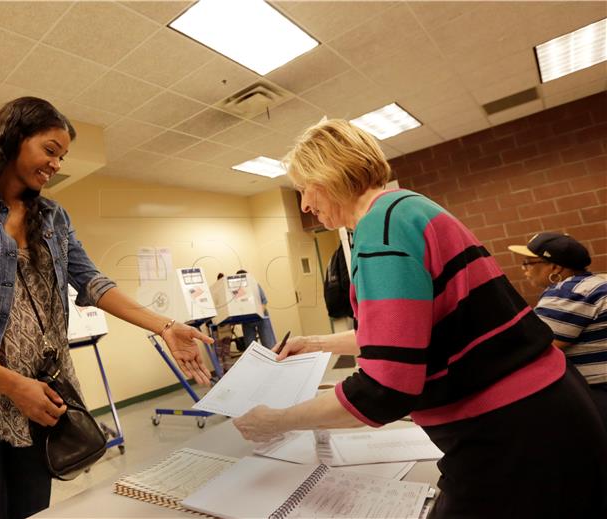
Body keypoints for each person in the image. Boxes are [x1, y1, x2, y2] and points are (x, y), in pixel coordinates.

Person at [232, 119, 607, 518]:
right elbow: (412, 333)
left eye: (305, 188)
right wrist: (318, 343)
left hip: (512, 432)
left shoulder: (379, 230)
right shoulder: (407, 209)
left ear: (330, 175)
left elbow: (383, 389)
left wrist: (275, 421)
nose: (305, 204)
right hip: (548, 412)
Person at [0, 97, 213, 519]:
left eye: (61, 156)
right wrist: (13, 385)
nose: (56, 164)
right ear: (13, 139)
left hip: (42, 399)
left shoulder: (53, 217)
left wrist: (165, 325)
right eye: (50, 150)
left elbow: (94, 283)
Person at [509, 232, 607, 429]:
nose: (524, 269)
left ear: (554, 267)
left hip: (599, 391)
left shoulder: (569, 292)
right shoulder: (593, 283)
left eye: (529, 262)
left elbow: (537, 346)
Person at [235, 269, 276, 349]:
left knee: (268, 344)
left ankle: (273, 359)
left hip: (261, 318)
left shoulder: (255, 285)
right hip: (247, 320)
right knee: (250, 346)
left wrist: (259, 314)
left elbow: (264, 302)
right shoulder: (237, 290)